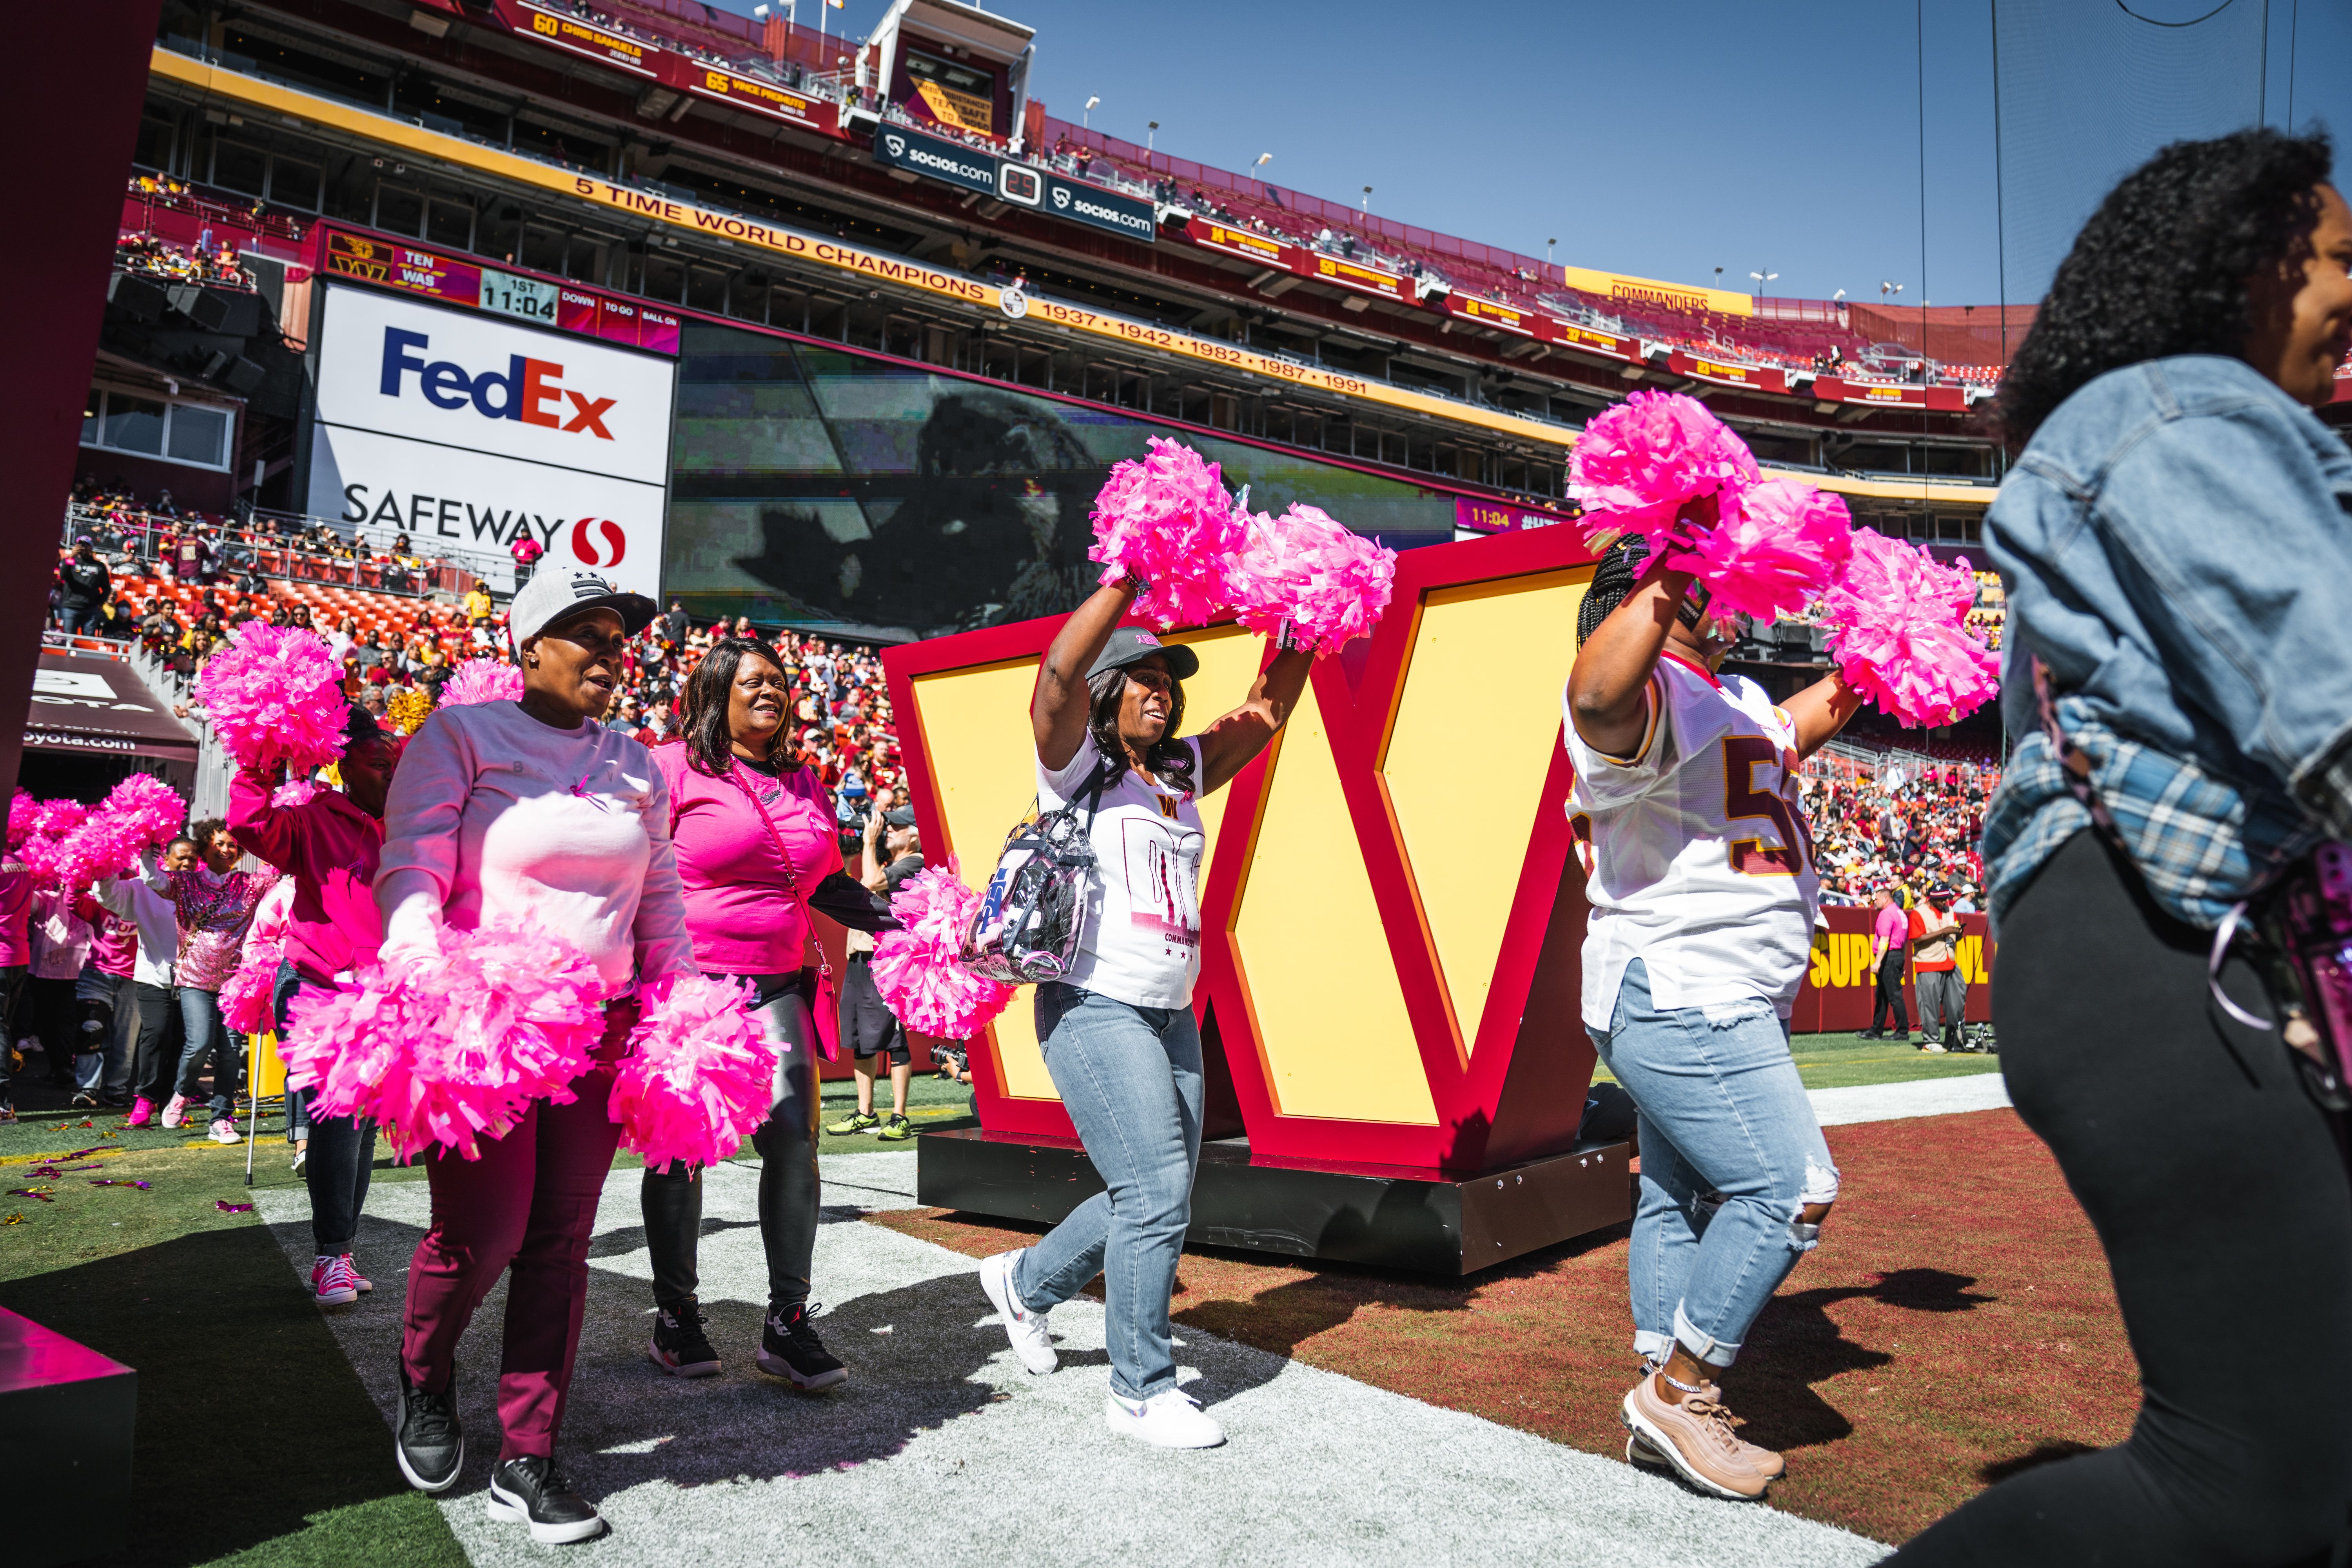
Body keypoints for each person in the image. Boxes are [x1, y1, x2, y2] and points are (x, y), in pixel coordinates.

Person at [1890, 131, 2352, 1565]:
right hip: (2158, 939)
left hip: (2152, 936)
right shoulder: (2181, 410)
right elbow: (2327, 701)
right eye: (2337, 256)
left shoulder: (2157, 422)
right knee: (2246, 1479)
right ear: (2239, 261)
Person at [375, 566, 693, 1544]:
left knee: (560, 1242)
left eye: (617, 635)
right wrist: (429, 978)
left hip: (598, 1032)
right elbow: (412, 867)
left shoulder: (637, 761)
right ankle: (427, 1381)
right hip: (489, 1028)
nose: (610, 651)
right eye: (585, 632)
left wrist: (680, 1002)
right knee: (486, 1233)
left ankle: (529, 1453)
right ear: (528, 648)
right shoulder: (461, 736)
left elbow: (661, 898)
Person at [1563, 527, 1864, 1500]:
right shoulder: (1639, 690)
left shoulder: (1730, 698)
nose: (1731, 592)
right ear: (1658, 596)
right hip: (1685, 987)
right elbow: (1594, 696)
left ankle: (1659, 1377)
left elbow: (1803, 721)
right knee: (1791, 1187)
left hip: (1715, 988)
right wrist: (1666, 569)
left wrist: (1887, 648)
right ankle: (1683, 1390)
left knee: (1678, 1197)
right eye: (1705, 580)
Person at [979, 586, 1310, 1451]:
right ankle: (1141, 1388)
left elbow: (1267, 708)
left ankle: (1024, 1281)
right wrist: (1123, 578)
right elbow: (1054, 676)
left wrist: (1312, 624)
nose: (1162, 691)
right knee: (1156, 1190)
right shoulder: (1076, 765)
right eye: (1144, 678)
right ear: (1109, 688)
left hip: (1170, 1012)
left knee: (1156, 1191)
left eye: (1171, 681)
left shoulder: (1179, 772)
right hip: (1094, 1003)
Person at [636, 636, 897, 1388]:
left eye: (779, 682)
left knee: (793, 1139)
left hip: (776, 984)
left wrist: (903, 919)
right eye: (753, 681)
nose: (771, 692)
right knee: (681, 1148)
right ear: (716, 691)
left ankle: (787, 1322)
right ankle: (676, 1315)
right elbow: (625, 861)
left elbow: (826, 886)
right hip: (690, 987)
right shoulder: (670, 766)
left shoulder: (804, 782)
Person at [230, 705, 397, 1307]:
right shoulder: (313, 820)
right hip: (322, 987)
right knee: (338, 1122)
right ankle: (331, 1256)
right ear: (346, 767)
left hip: (384, 993)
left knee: (365, 1129)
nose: (392, 774)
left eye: (397, 763)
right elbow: (248, 824)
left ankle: (342, 1251)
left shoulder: (408, 823)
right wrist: (262, 758)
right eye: (380, 764)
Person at [149, 818, 274, 1143]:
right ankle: (182, 1092)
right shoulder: (185, 881)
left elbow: (283, 876)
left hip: (235, 981)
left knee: (231, 1052)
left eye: (232, 844)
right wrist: (145, 845)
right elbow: (153, 879)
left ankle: (221, 1119)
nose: (227, 849)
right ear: (205, 847)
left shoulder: (251, 883)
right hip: (194, 978)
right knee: (200, 1043)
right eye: (220, 843)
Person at [827, 806, 923, 1141]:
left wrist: (868, 842)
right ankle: (865, 1112)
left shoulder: (914, 861)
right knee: (859, 1037)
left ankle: (900, 1116)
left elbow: (871, 883)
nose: (890, 832)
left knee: (893, 1039)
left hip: (888, 962)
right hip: (860, 955)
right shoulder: (884, 857)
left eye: (897, 827)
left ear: (914, 834)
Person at [99, 833, 193, 1127]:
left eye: (192, 858)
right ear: (165, 860)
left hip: (193, 979)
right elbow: (110, 896)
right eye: (181, 858)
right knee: (156, 1033)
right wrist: (104, 864)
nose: (187, 864)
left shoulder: (201, 889)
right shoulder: (143, 888)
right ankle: (146, 1097)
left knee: (183, 1040)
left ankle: (171, 1099)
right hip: (153, 977)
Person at [1906, 886, 1964, 1054]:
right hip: (1929, 962)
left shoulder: (1950, 910)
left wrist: (1958, 933)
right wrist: (1944, 932)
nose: (1945, 902)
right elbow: (1917, 939)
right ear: (1931, 899)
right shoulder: (1919, 912)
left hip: (1950, 961)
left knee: (1957, 1004)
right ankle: (1930, 1042)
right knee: (1929, 1006)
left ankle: (1954, 1039)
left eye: (1947, 898)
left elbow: (1953, 933)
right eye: (1941, 899)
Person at [1858, 886, 1912, 1041]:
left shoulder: (1887, 914)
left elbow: (1885, 939)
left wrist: (1878, 961)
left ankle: (1902, 1031)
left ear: (1886, 899)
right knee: (1882, 995)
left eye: (1877, 898)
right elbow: (1904, 943)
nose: (1875, 901)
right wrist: (1902, 962)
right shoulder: (1900, 914)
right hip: (1896, 956)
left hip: (1889, 957)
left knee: (1894, 996)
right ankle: (1876, 1030)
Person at [0, 846, 30, 1122]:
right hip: (17, 956)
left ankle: (2, 1106)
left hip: (3, 957)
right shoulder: (17, 862)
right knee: (4, 1029)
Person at [56, 535, 112, 635]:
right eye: (80, 545)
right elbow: (63, 576)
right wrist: (71, 556)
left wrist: (100, 603)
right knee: (69, 639)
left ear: (91, 548)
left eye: (86, 545)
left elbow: (107, 588)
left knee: (88, 640)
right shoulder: (70, 561)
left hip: (91, 609)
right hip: (70, 607)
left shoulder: (99, 566)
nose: (83, 547)